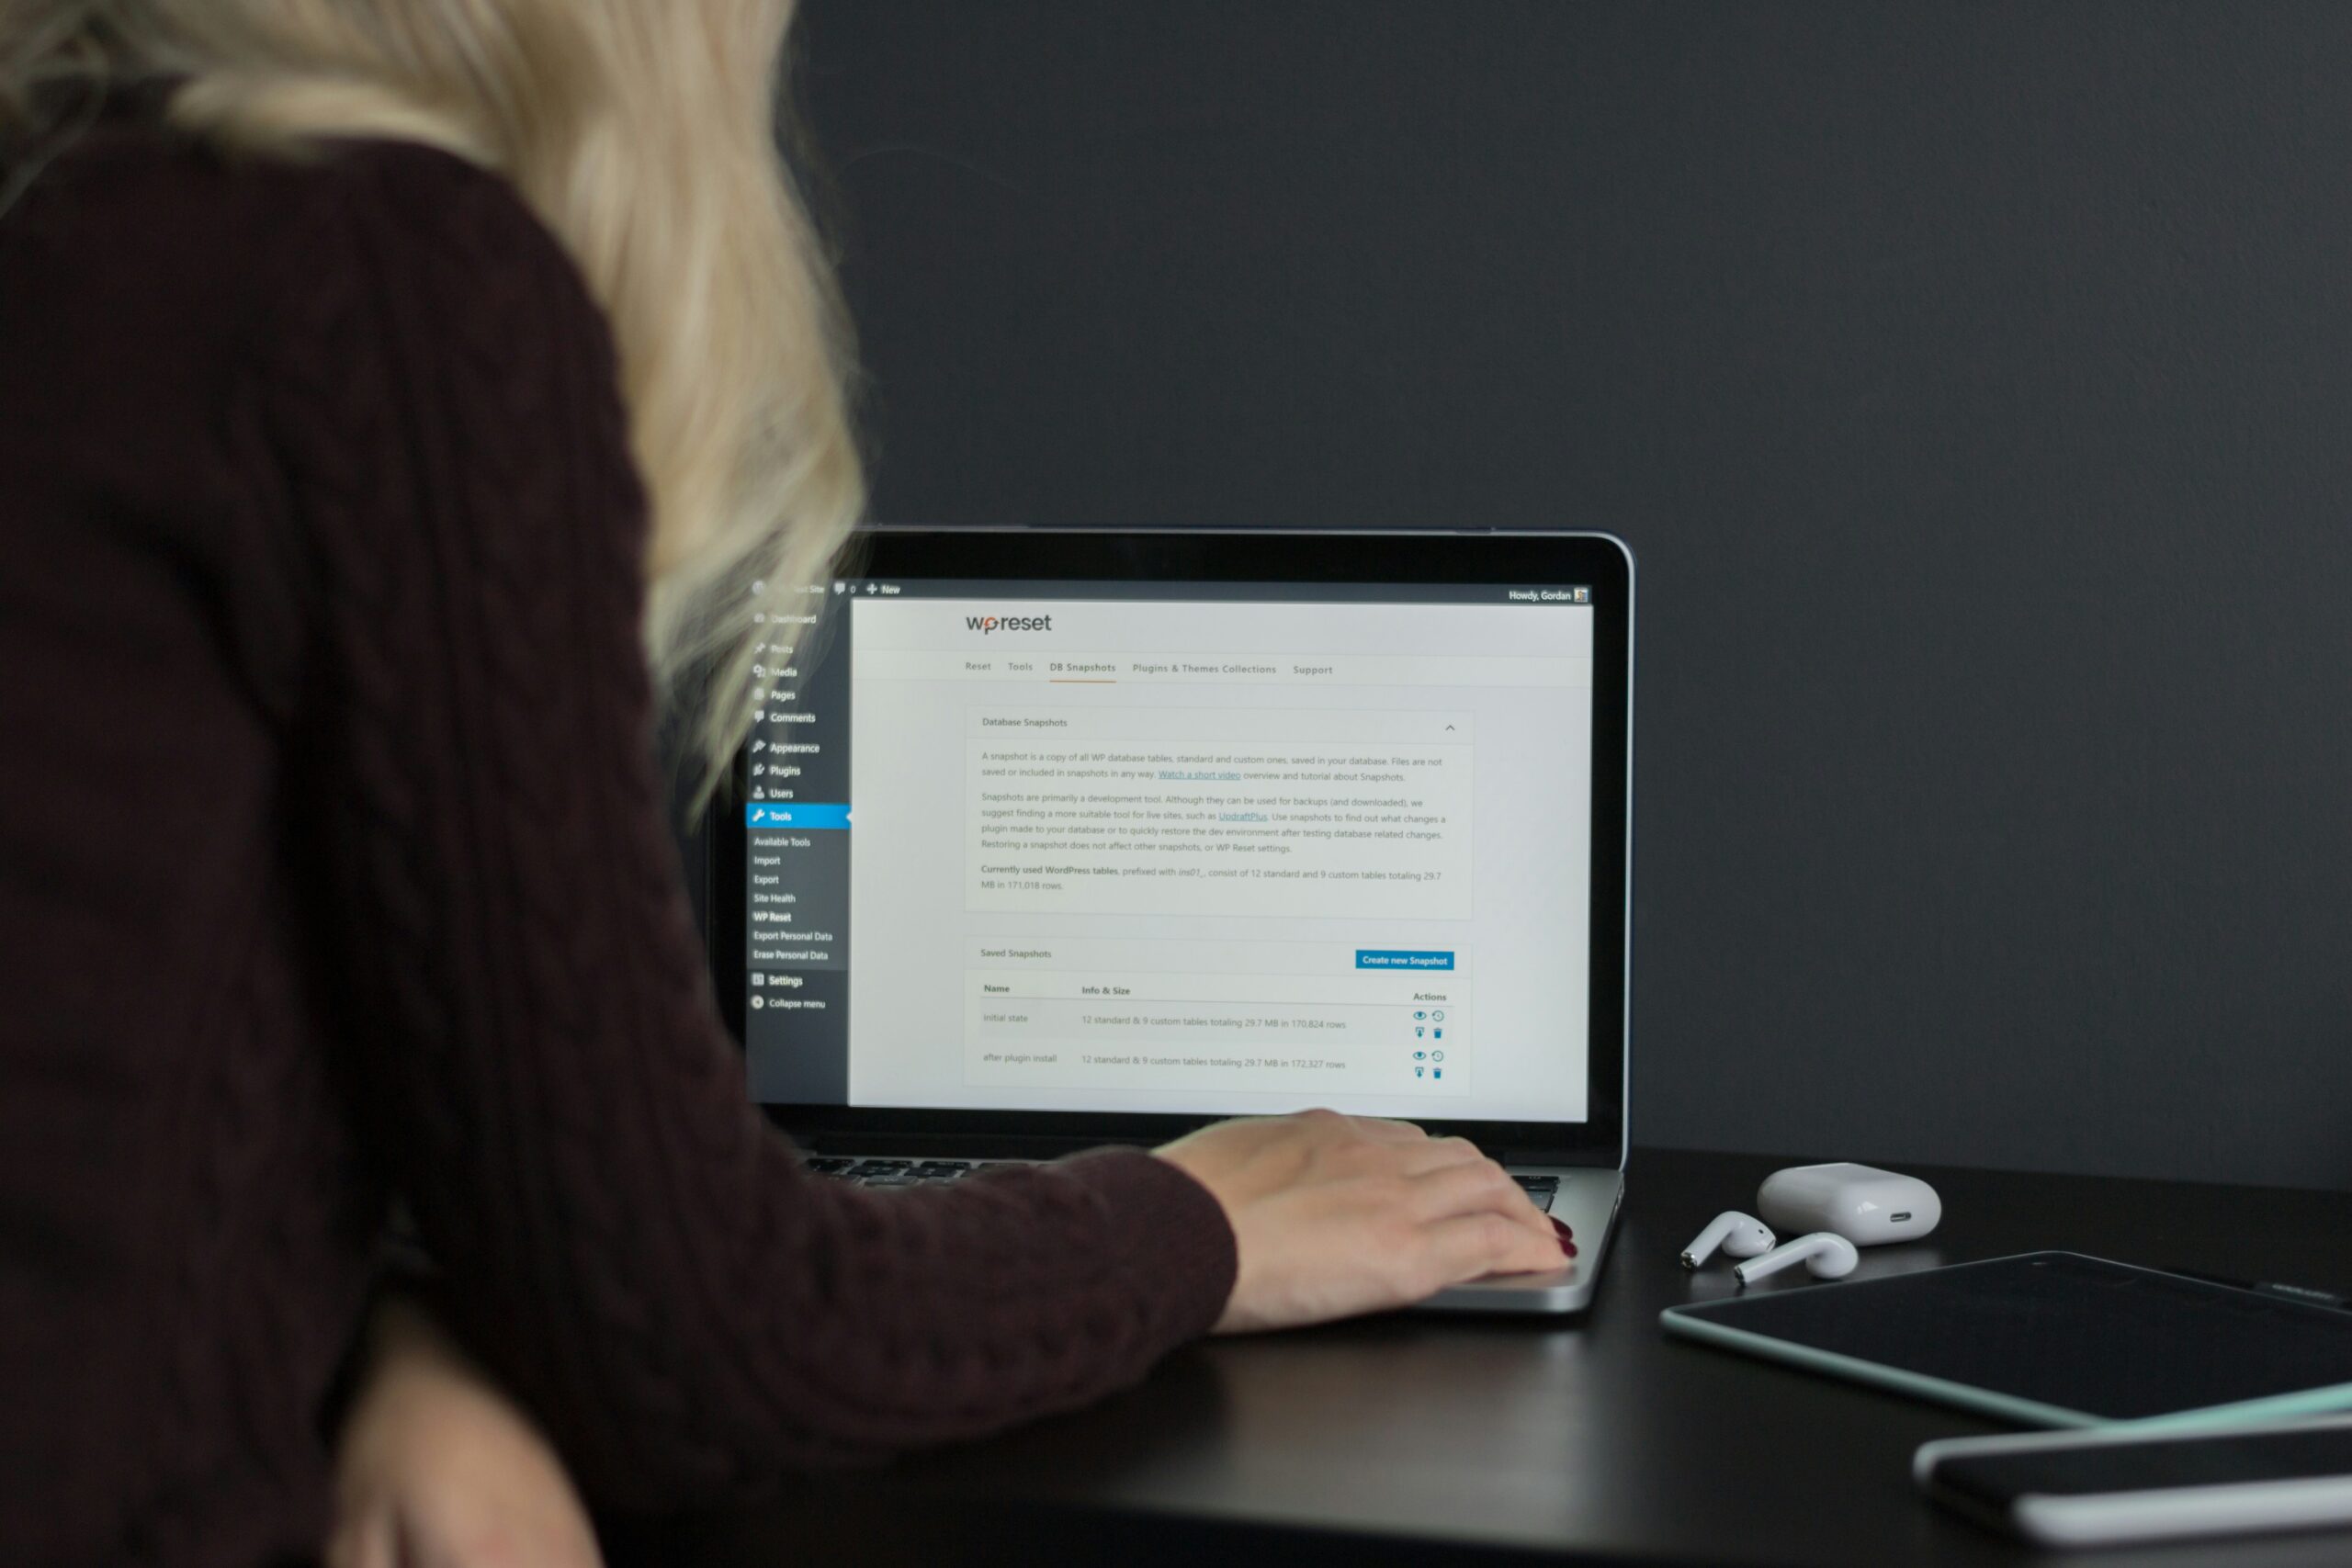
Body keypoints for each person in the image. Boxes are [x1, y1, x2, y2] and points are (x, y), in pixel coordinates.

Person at [0, 4, 1568, 1565]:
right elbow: (709, 1334)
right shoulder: (373, 274)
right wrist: (1210, 1222)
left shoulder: (73, 210)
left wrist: (426, 1330)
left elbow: (138, 1066)